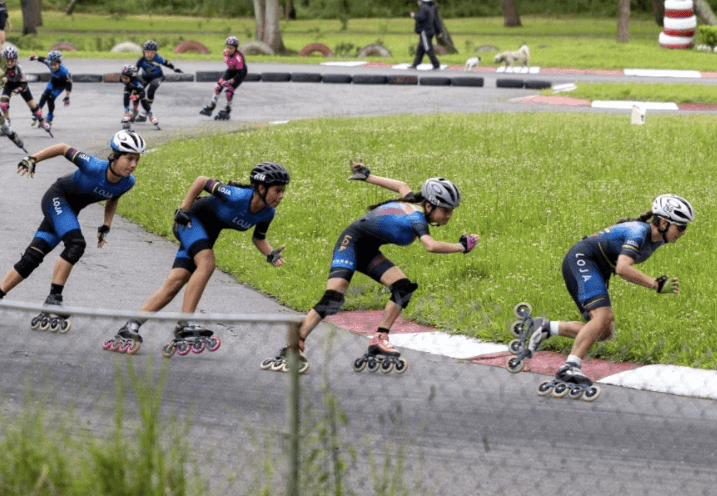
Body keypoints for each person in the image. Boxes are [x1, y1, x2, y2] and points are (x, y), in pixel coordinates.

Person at [260, 161, 479, 374]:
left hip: (367, 250)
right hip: (350, 243)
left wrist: (368, 177)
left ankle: (379, 339)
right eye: (445, 210)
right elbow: (430, 246)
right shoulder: (417, 217)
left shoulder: (415, 201)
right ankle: (293, 346)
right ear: (429, 205)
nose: (448, 216)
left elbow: (400, 185)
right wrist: (461, 247)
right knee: (333, 299)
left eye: (451, 211)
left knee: (403, 288)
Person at [509, 194, 693, 401]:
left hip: (598, 267)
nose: (683, 232)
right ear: (663, 222)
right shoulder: (639, 232)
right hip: (583, 259)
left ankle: (545, 327)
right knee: (602, 317)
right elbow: (623, 268)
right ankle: (570, 367)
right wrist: (654, 284)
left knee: (604, 331)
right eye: (681, 227)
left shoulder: (657, 239)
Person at [0, 130, 145, 331]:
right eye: (129, 158)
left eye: (136, 159)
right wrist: (33, 159)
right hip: (57, 197)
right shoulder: (93, 166)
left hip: (68, 211)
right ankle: (54, 298)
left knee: (32, 257)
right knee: (76, 244)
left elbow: (114, 198)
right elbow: (62, 148)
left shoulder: (128, 182)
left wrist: (106, 225)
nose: (133, 165)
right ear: (114, 155)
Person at [106, 162, 290, 357]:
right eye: (277, 190)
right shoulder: (236, 195)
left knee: (175, 283)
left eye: (283, 191)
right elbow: (201, 181)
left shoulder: (268, 212)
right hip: (189, 221)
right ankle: (184, 323)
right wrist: (183, 209)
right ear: (261, 188)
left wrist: (271, 254)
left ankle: (131, 325)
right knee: (207, 263)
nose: (281, 196)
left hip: (207, 234)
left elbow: (258, 238)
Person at [0, 46, 52, 136]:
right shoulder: (1, 65)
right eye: (7, 60)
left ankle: (42, 121)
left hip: (21, 85)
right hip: (9, 85)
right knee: (3, 104)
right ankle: (6, 125)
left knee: (33, 106)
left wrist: (17, 90)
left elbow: (24, 84)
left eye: (12, 60)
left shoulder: (19, 68)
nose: (9, 63)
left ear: (16, 59)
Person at [131, 40, 183, 126]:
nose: (149, 54)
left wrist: (174, 69)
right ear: (144, 52)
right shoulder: (141, 60)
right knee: (136, 91)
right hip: (145, 77)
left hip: (158, 77)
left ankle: (144, 113)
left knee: (151, 90)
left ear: (155, 53)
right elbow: (135, 71)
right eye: (147, 52)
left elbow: (167, 63)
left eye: (152, 52)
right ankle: (134, 111)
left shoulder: (158, 58)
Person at [199, 36, 247, 121]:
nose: (229, 49)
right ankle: (212, 105)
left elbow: (238, 73)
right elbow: (229, 66)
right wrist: (223, 82)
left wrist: (228, 82)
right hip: (231, 70)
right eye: (228, 47)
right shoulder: (225, 52)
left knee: (229, 91)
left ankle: (227, 109)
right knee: (217, 86)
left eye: (231, 48)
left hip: (240, 72)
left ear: (236, 48)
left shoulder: (238, 58)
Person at [28, 50, 71, 129]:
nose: (53, 67)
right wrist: (34, 58)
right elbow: (43, 60)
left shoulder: (64, 71)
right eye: (51, 64)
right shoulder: (49, 63)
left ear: (59, 63)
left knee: (50, 98)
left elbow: (69, 84)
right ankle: (38, 111)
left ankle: (49, 117)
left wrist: (67, 96)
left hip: (61, 85)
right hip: (53, 81)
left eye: (55, 65)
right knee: (45, 94)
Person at [411, 0, 442, 70]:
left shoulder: (423, 7)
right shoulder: (432, 7)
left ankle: (436, 64)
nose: (417, 2)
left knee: (428, 48)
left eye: (418, 0)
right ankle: (416, 63)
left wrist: (414, 16)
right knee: (420, 48)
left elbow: (420, 18)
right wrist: (439, 31)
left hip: (424, 31)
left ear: (421, 0)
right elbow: (436, 20)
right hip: (430, 31)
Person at [118, 65, 151, 130]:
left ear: (132, 77)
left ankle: (148, 114)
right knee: (126, 97)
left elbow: (142, 93)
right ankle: (128, 114)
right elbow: (126, 85)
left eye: (126, 78)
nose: (123, 79)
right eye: (123, 77)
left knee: (140, 100)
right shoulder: (124, 80)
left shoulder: (137, 83)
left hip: (139, 90)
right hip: (130, 87)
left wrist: (137, 96)